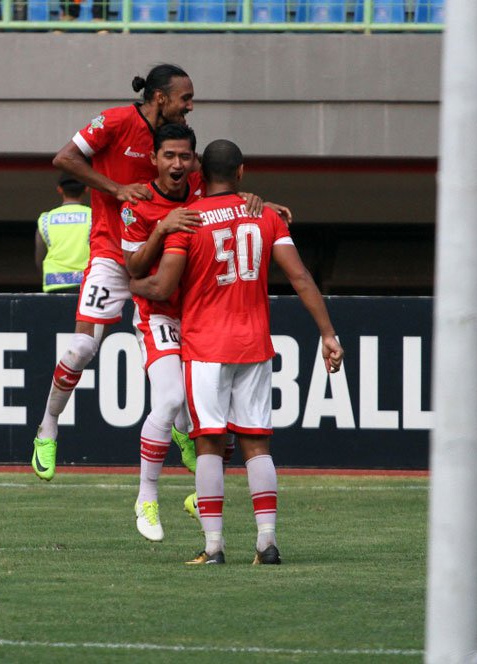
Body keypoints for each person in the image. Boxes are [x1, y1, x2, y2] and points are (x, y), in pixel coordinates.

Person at [131, 139, 343, 565]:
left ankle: (213, 548)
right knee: (257, 444)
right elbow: (300, 276)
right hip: (254, 344)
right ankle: (267, 542)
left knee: (209, 444)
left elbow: (164, 286)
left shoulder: (190, 220)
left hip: (205, 345)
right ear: (242, 173)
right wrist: (328, 334)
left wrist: (132, 286)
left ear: (199, 174)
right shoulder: (263, 214)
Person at [31, 63, 197, 482]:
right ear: (161, 98)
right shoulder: (117, 121)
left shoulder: (172, 145)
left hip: (156, 257)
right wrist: (115, 188)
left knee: (177, 355)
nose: (190, 107)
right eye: (185, 98)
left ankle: (182, 429)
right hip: (109, 251)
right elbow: (64, 158)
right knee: (82, 350)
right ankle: (47, 426)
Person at [119, 122, 202, 541]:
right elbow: (133, 268)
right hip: (158, 315)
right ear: (153, 158)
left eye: (184, 156)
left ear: (194, 160)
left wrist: (259, 201)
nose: (176, 163)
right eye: (168, 155)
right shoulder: (137, 203)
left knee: (217, 420)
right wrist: (162, 227)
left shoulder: (202, 192)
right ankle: (146, 496)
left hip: (204, 317)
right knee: (169, 396)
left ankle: (200, 495)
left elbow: (231, 198)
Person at [34, 173, 91, 293]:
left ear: (59, 190)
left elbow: (40, 256)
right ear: (86, 189)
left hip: (54, 284)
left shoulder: (46, 219)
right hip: (87, 283)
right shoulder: (94, 216)